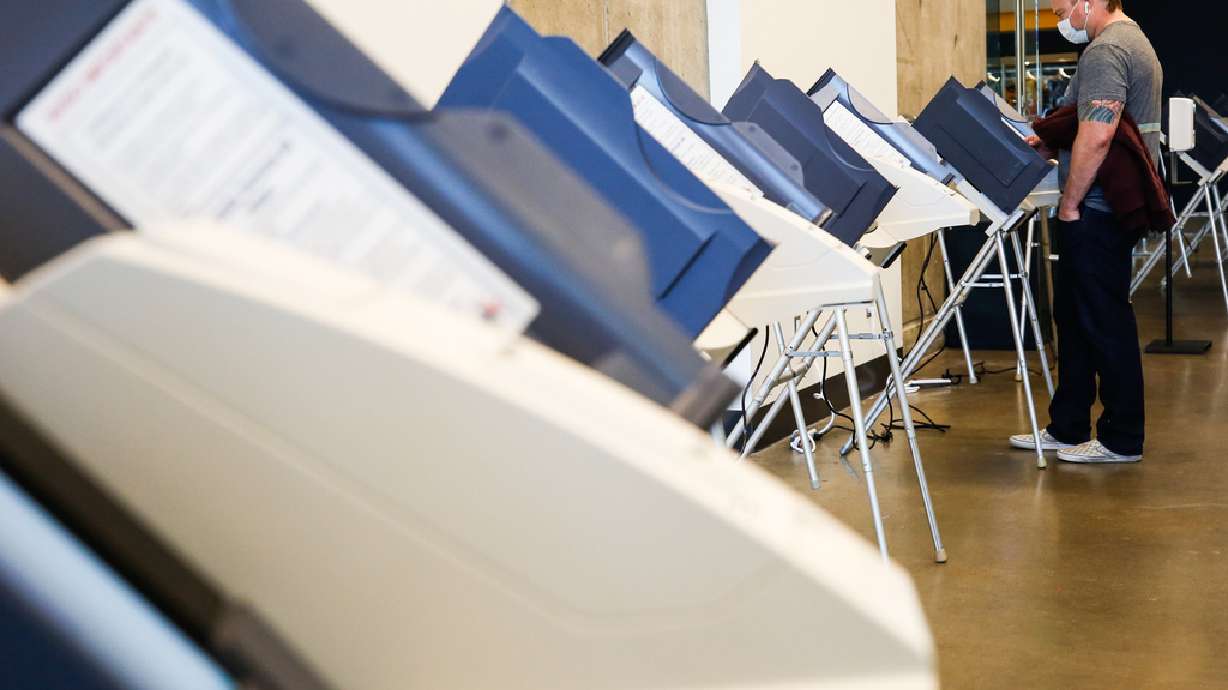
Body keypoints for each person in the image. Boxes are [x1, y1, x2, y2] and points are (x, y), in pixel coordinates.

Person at [1010, 0, 1162, 464]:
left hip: (1096, 208)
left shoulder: (1107, 50)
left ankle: (1121, 437)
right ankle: (1069, 423)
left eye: (1061, 9)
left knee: (1103, 319)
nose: (1060, 19)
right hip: (1103, 206)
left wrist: (1071, 202)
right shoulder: (1129, 41)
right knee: (1074, 318)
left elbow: (1097, 135)